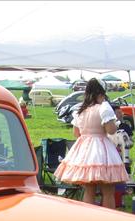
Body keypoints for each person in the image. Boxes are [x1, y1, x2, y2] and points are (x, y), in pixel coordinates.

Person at [54, 78, 129, 209]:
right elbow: (111, 131)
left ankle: (89, 219)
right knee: (108, 191)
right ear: (101, 92)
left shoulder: (80, 109)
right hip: (101, 149)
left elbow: (76, 133)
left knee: (89, 190)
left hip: (84, 150)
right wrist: (116, 123)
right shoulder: (104, 107)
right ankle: (106, 219)